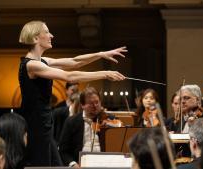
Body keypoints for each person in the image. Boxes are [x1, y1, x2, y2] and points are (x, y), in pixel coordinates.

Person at [18, 20, 126, 166]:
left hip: (45, 123)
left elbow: (74, 61)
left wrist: (101, 54)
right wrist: (105, 73)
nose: (51, 35)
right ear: (36, 38)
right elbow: (69, 76)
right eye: (47, 32)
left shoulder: (42, 61)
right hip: (36, 126)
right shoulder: (31, 65)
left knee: (55, 165)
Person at [59, 87, 117, 167]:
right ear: (82, 105)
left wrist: (110, 126)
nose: (95, 106)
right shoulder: (71, 122)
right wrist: (73, 164)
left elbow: (120, 135)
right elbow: (63, 150)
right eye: (90, 103)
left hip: (104, 163)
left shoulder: (109, 119)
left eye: (97, 102)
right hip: (80, 164)